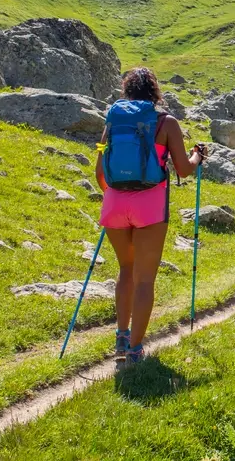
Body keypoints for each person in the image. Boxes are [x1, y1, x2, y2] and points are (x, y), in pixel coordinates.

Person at [96, 67, 207, 366]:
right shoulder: (166, 122)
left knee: (125, 270)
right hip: (150, 207)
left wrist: (117, 194)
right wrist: (199, 156)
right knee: (145, 280)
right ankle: (134, 351)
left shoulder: (113, 120)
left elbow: (100, 172)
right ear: (155, 91)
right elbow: (183, 169)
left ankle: (121, 336)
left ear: (127, 90)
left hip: (114, 204)